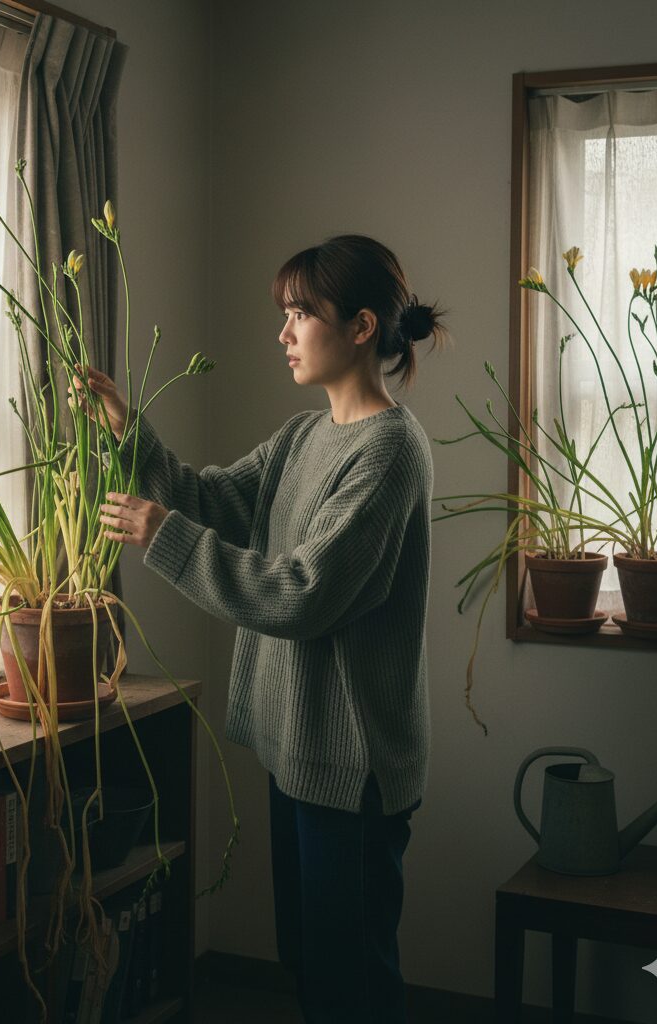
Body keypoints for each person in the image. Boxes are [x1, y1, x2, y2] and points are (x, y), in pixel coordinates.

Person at [71, 234, 446, 1023]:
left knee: (350, 986)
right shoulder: (304, 437)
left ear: (361, 327)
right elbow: (212, 501)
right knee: (309, 966)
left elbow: (301, 593)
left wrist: (163, 536)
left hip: (353, 767)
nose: (283, 333)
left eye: (301, 314)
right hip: (301, 750)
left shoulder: (390, 453)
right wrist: (128, 431)